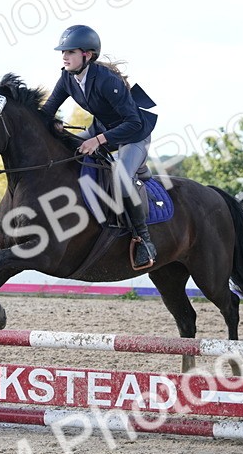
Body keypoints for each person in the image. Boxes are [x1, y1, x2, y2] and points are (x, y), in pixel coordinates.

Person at [39, 25, 159, 270]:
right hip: (101, 129)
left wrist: (97, 140)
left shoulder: (107, 81)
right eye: (63, 51)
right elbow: (47, 111)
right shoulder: (67, 78)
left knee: (123, 178)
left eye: (70, 51)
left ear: (87, 55)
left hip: (133, 134)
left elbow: (133, 122)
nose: (64, 56)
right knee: (66, 153)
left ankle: (144, 240)